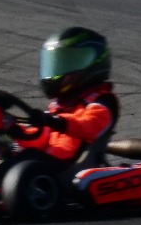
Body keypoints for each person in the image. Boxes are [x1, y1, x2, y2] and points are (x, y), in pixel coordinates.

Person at [13, 27, 118, 165]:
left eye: (68, 63)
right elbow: (41, 139)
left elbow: (89, 126)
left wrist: (57, 121)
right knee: (8, 153)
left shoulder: (102, 101)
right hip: (45, 166)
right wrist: (13, 129)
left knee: (29, 159)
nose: (60, 70)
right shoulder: (62, 105)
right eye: (58, 64)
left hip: (72, 169)